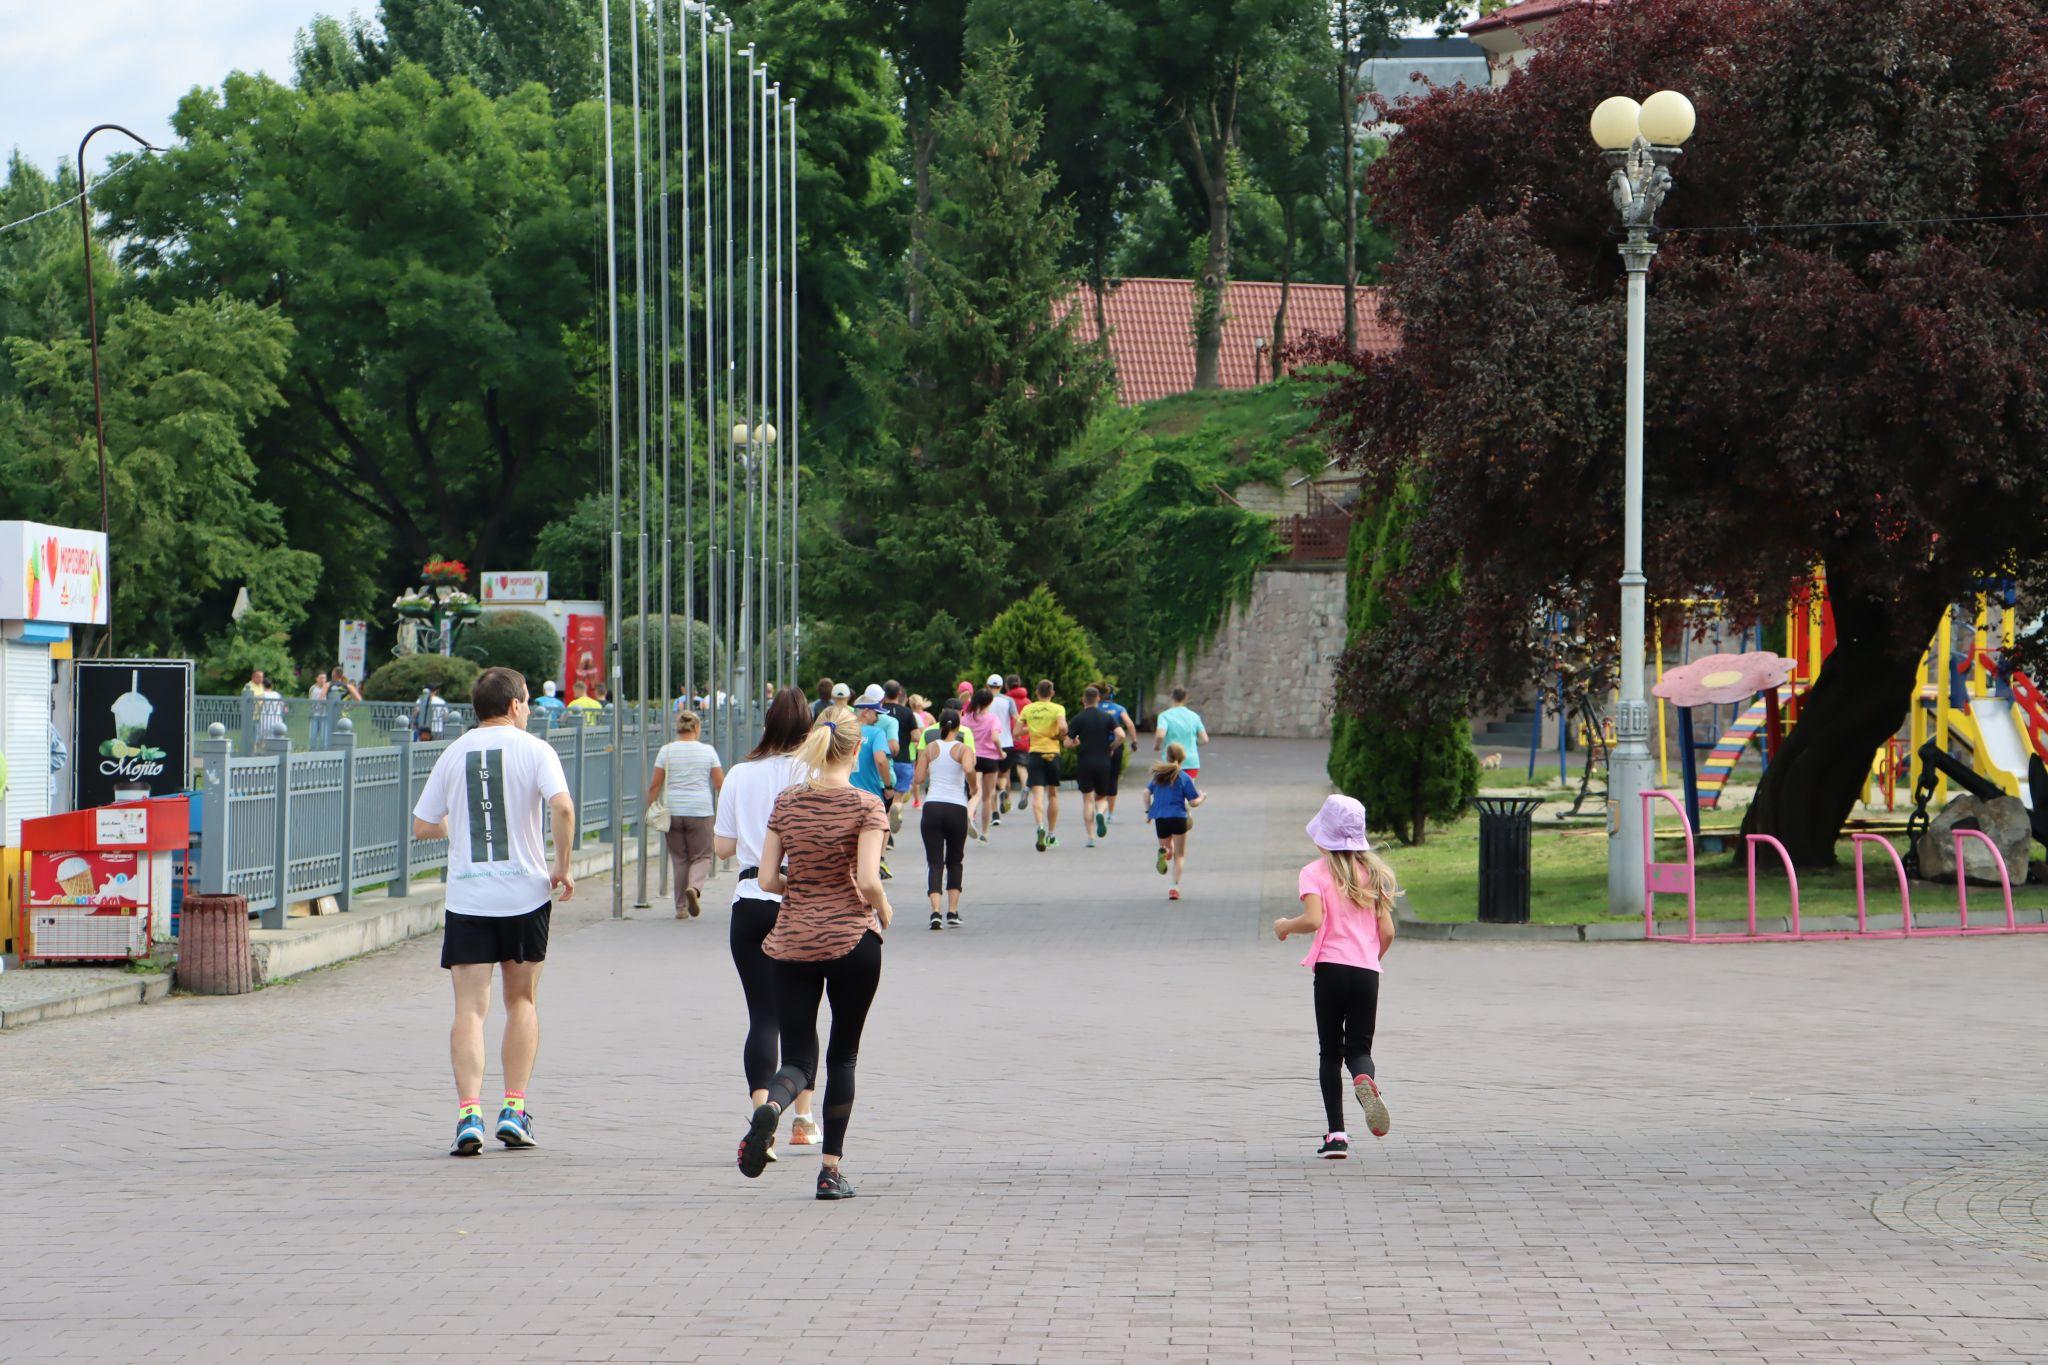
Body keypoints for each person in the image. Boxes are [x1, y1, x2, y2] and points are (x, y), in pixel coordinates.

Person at [409, 667, 574, 1156]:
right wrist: (561, 867)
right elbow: (562, 809)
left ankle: (468, 1115)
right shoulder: (536, 750)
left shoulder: (453, 752)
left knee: (469, 1009)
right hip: (525, 895)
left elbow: (422, 826)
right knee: (520, 1002)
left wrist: (460, 828)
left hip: (469, 899)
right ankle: (514, 1109)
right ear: (518, 704)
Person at [737, 710, 894, 1200]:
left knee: (800, 1057)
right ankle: (830, 1172)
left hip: (793, 941)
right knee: (843, 1054)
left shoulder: (787, 802)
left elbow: (765, 880)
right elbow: (868, 880)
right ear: (854, 751)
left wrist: (800, 887)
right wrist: (884, 909)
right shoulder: (868, 805)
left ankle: (772, 1109)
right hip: (852, 941)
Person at [714, 688, 820, 1158]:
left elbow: (721, 847)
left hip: (749, 902)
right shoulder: (811, 773)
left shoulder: (739, 773)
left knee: (762, 1016)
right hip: (798, 900)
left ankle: (762, 1115)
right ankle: (802, 1118)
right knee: (803, 1017)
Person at [1272, 794, 1397, 1159]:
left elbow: (1312, 920)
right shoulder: (1374, 874)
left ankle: (1336, 1136)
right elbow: (1387, 932)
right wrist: (1369, 957)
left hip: (1330, 970)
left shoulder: (1314, 872)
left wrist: (1284, 926)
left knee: (1330, 1051)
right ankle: (1365, 1081)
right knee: (1359, 1050)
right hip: (1366, 971)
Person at [646, 710, 724, 919]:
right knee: (703, 856)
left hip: (673, 812)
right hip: (700, 811)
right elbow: (719, 784)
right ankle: (695, 887)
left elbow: (655, 785)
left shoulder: (666, 751)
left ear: (677, 729)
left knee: (680, 859)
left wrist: (651, 807)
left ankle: (680, 908)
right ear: (697, 728)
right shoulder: (708, 751)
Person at [914, 705, 974, 930]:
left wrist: (932, 769)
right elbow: (968, 769)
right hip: (956, 807)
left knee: (934, 861)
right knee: (955, 860)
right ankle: (953, 911)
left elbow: (919, 778)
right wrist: (974, 786)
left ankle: (935, 912)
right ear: (958, 726)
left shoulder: (930, 748)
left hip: (932, 807)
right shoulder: (963, 748)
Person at [1066, 685, 1125, 847]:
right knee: (1102, 798)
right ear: (1098, 698)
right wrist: (1112, 747)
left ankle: (1091, 837)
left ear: (1083, 700)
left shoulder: (1078, 718)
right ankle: (1100, 812)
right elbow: (1121, 735)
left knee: (1087, 800)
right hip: (1103, 762)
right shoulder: (1107, 717)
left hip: (1085, 762)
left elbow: (1066, 743)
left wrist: (1075, 742)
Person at [1145, 743, 1204, 901]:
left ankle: (1164, 853)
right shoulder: (1184, 777)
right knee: (1180, 855)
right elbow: (1193, 802)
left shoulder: (1158, 776)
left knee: (1165, 847)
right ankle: (1174, 887)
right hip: (1178, 817)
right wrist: (1203, 797)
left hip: (1161, 818)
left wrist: (1148, 811)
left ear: (1167, 757)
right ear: (1183, 758)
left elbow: (1146, 792)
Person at [1017, 679, 1068, 852]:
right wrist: (1058, 735)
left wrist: (1031, 729)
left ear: (1036, 693)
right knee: (1052, 795)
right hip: (1052, 754)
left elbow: (1017, 732)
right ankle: (1051, 834)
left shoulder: (1028, 709)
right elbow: (1063, 727)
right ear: (1052, 693)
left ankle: (1040, 826)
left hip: (1035, 754)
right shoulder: (1057, 708)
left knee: (1037, 795)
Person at [850, 691, 896, 875]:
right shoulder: (876, 733)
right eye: (876, 713)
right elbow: (881, 759)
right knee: (875, 835)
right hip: (871, 796)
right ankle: (873, 870)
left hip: (846, 794)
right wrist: (888, 786)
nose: (877, 718)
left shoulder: (844, 731)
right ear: (866, 712)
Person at [963, 686, 1007, 842]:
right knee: (987, 797)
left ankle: (969, 814)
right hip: (990, 759)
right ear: (990, 702)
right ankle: (985, 833)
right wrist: (1001, 753)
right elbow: (995, 738)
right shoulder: (992, 718)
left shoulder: (966, 718)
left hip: (972, 758)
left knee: (975, 792)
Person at [1095, 684, 1138, 823]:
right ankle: (1110, 814)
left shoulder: (1095, 708)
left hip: (1098, 747)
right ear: (1113, 696)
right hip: (1116, 746)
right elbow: (1130, 725)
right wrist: (1134, 741)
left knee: (1098, 778)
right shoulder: (1119, 709)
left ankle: (1098, 810)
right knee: (1113, 778)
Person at [1154, 686, 1210, 779]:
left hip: (1170, 761)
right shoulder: (1194, 716)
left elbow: (1160, 735)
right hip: (1191, 761)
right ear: (1186, 698)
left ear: (1172, 697)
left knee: (1171, 790)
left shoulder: (1164, 716)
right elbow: (1205, 739)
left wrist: (1157, 746)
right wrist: (1194, 743)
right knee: (1188, 790)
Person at [882, 681, 919, 819]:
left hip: (883, 760)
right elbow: (916, 736)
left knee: (883, 797)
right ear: (899, 693)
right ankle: (896, 806)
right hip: (903, 759)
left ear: (884, 694)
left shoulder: (879, 712)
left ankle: (886, 822)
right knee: (898, 797)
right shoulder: (907, 712)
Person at [1003, 674, 1031, 811]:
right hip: (1023, 739)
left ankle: (1006, 798)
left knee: (1005, 771)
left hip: (1007, 739)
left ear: (1007, 686)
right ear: (1019, 684)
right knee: (1022, 768)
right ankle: (1025, 786)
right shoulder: (1028, 702)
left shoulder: (1005, 701)